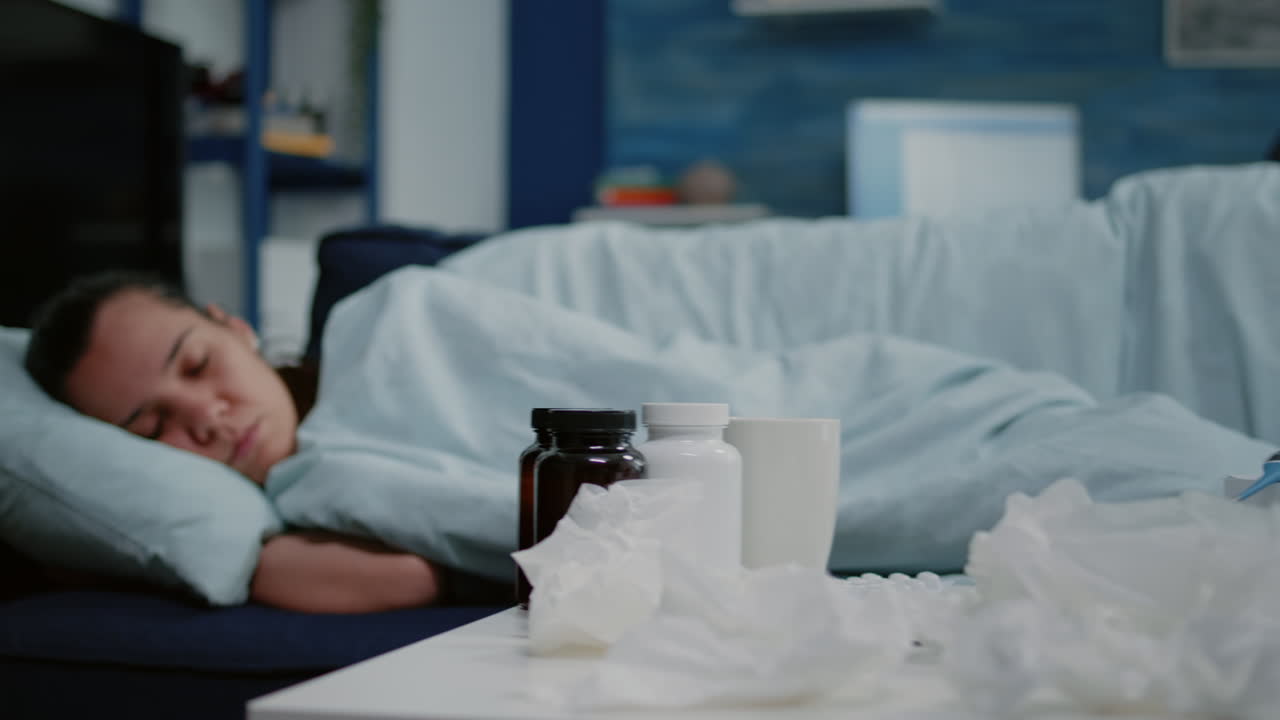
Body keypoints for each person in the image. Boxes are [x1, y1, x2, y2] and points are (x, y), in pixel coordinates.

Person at [24, 272, 447, 613]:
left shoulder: (388, 327)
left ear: (235, 327)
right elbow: (409, 578)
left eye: (196, 365)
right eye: (153, 428)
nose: (207, 417)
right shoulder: (297, 511)